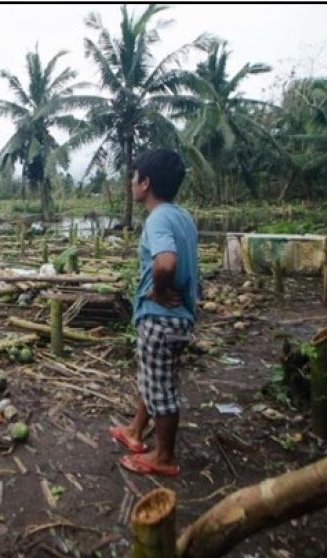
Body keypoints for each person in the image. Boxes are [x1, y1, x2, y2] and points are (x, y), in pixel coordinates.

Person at [107, 149, 198, 477]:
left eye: (134, 178)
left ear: (145, 183)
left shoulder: (157, 218)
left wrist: (159, 290)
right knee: (155, 378)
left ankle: (164, 457)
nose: (131, 183)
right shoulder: (181, 216)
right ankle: (134, 431)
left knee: (161, 389)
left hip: (161, 318)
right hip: (178, 318)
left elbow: (166, 262)